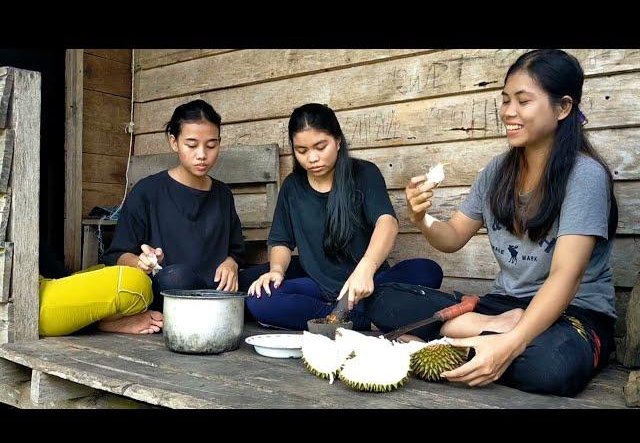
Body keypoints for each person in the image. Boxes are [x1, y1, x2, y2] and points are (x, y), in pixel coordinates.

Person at [367, 49, 618, 397]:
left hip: (574, 315)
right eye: (504, 100)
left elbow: (567, 275)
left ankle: (450, 339)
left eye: (523, 101)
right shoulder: (496, 172)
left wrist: (513, 343)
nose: (509, 112)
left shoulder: (584, 175)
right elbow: (452, 237)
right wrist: (422, 217)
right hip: (502, 308)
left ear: (563, 108)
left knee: (549, 369)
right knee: (383, 299)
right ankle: (478, 330)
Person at [241, 103, 443, 331]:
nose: (312, 158)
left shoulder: (365, 173)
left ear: (337, 141)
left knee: (426, 271)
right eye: (302, 151)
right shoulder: (292, 187)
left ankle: (334, 317)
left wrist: (366, 268)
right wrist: (276, 270)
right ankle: (356, 320)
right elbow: (280, 241)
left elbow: (386, 221)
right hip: (318, 286)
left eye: (320, 147)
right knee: (260, 299)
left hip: (369, 286)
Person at [103, 99, 245, 312]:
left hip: (217, 286)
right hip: (172, 286)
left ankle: (214, 305)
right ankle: (217, 307)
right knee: (176, 277)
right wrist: (142, 262)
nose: (202, 155)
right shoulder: (147, 191)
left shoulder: (222, 194)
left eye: (211, 145)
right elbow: (117, 254)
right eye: (191, 144)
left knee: (276, 279)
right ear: (174, 142)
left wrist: (231, 263)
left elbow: (237, 250)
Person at [38, 243, 159, 336]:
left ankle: (97, 321)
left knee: (104, 268)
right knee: (134, 282)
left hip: (45, 282)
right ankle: (101, 324)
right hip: (33, 300)